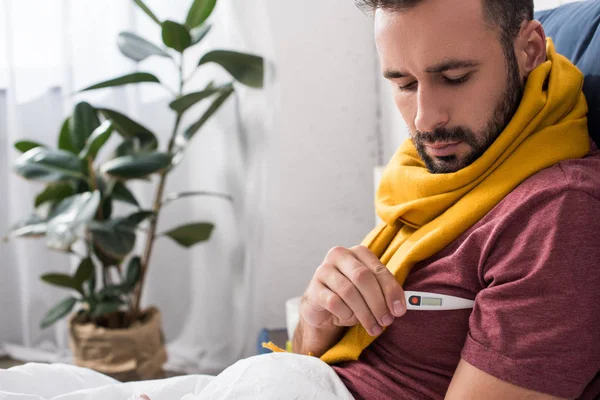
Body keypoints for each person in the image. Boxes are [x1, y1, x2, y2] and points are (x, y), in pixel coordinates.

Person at [292, 0, 600, 399]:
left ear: (529, 51)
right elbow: (303, 355)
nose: (423, 119)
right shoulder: (426, 182)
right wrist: (316, 319)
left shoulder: (559, 214)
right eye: (404, 84)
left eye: (454, 77)